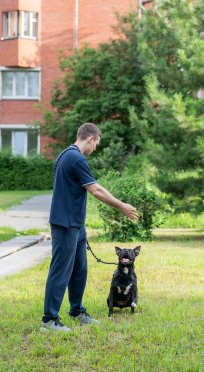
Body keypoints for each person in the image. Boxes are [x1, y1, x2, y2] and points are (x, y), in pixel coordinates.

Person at [41, 123, 139, 332]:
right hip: (65, 224)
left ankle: (77, 310)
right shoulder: (76, 158)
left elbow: (91, 187)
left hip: (75, 224)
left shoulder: (65, 155)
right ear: (90, 139)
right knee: (60, 271)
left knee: (79, 270)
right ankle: (49, 320)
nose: (95, 149)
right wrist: (122, 206)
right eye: (96, 144)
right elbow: (96, 190)